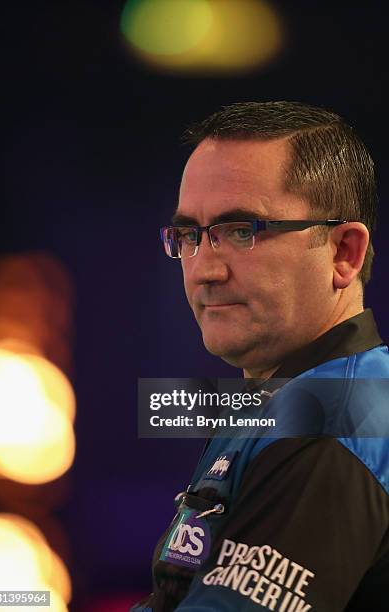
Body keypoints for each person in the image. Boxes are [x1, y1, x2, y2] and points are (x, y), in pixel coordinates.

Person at [132, 101, 389, 611]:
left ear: (344, 253)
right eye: (189, 235)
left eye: (241, 231)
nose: (204, 269)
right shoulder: (280, 398)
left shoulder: (334, 418)